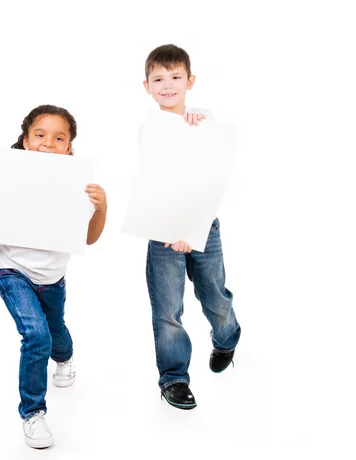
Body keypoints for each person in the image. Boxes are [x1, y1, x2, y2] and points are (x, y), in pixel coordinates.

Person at [0, 104, 107, 448]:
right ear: (26, 141)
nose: (48, 143)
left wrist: (101, 207)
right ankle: (33, 413)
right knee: (36, 335)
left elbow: (89, 237)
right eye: (40, 135)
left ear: (69, 147)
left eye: (59, 138)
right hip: (12, 270)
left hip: (53, 277)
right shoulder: (4, 174)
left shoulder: (77, 183)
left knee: (55, 332)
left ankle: (66, 358)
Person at [142, 44, 241, 410]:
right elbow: (156, 183)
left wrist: (201, 126)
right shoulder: (150, 128)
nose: (167, 85)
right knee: (167, 308)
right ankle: (174, 378)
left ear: (190, 81)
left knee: (214, 296)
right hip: (163, 230)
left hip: (203, 225)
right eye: (158, 79)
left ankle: (228, 336)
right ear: (146, 86)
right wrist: (173, 227)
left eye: (175, 77)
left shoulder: (205, 119)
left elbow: (212, 174)